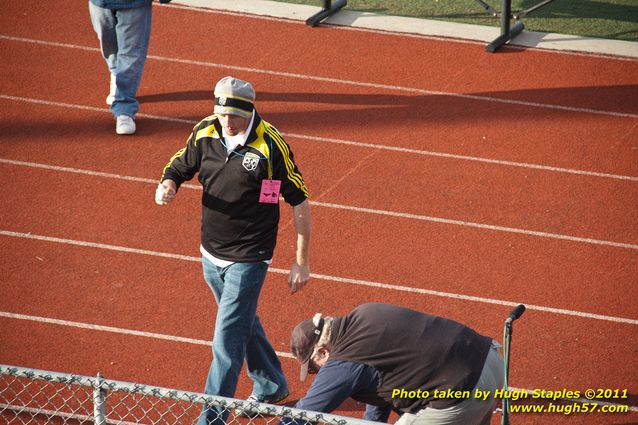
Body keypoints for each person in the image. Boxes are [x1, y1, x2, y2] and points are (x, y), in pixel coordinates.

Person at [155, 76, 312, 424]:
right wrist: (168, 183)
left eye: (234, 116)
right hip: (210, 252)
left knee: (225, 342)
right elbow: (182, 164)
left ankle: (210, 419)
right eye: (222, 114)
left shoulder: (269, 147)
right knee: (242, 322)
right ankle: (270, 385)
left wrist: (301, 261)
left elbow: (298, 200)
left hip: (249, 256)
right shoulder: (206, 131)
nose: (227, 122)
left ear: (250, 110)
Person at [283, 302, 503, 425]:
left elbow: (304, 414)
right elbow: (379, 387)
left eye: (313, 368)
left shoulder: (342, 363)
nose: (317, 373)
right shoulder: (364, 313)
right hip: (490, 360)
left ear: (322, 351)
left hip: (461, 389)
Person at [88, 0, 170, 135]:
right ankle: (116, 74)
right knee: (108, 46)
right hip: (100, 3)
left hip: (134, 3)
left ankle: (124, 110)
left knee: (130, 55)